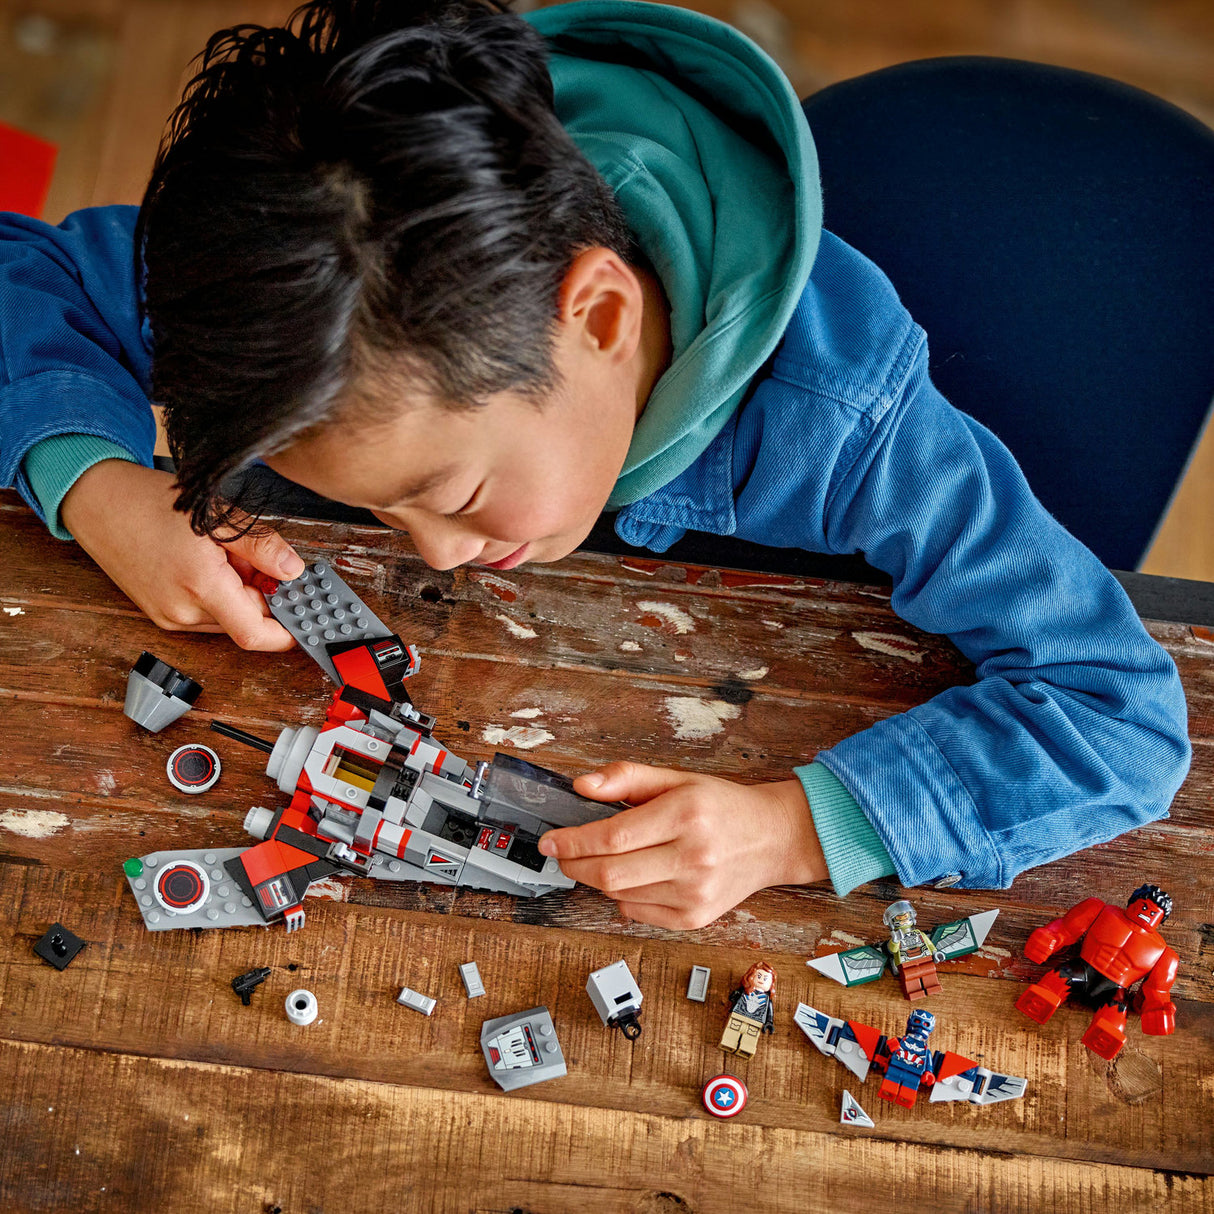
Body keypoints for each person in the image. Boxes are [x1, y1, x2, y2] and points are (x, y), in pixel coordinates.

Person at [0, 0, 1190, 929]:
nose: (433, 555)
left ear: (604, 319)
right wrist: (99, 485)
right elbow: (26, 269)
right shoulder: (319, 284)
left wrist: (800, 827)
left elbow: (1116, 713)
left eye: (452, 493)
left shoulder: (847, 419)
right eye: (373, 505)